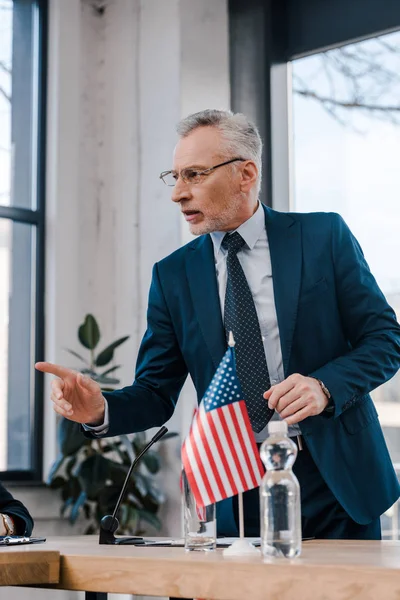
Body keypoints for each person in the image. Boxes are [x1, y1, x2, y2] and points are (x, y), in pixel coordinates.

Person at [36, 109, 400, 541]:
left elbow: (385, 340)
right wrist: (100, 411)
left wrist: (324, 386)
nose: (178, 194)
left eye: (193, 174)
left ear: (245, 174)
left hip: (337, 479)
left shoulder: (323, 236)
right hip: (234, 482)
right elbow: (156, 391)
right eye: (173, 177)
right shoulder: (172, 276)